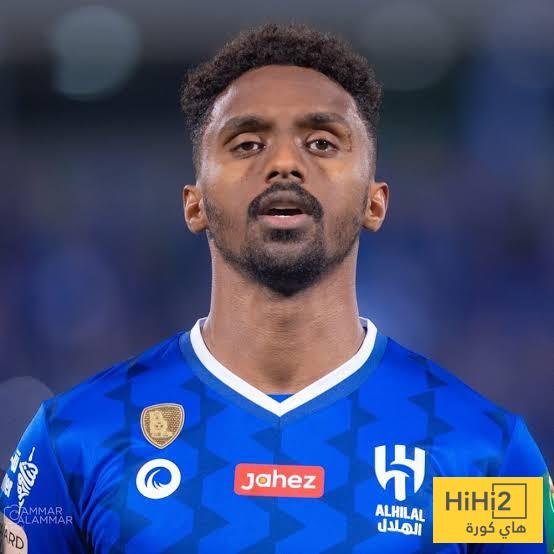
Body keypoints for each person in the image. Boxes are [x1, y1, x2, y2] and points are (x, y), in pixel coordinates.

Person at [0, 22, 551, 554]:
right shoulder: (74, 441)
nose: (285, 163)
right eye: (246, 144)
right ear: (194, 204)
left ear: (375, 201)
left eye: (322, 142)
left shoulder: (483, 453)